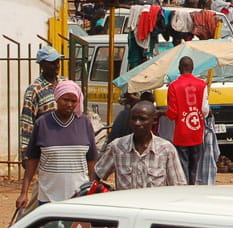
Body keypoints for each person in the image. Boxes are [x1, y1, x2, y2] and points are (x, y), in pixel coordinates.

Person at [17, 80, 98, 209]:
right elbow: (32, 160)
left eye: (73, 101)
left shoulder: (84, 123)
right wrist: (23, 193)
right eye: (65, 100)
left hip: (79, 197)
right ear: (57, 98)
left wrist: (93, 189)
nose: (69, 104)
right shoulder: (42, 123)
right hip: (49, 197)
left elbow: (92, 161)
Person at [95, 100, 186, 189]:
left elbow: (178, 186)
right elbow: (97, 174)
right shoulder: (117, 147)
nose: (137, 123)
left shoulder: (166, 149)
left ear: (154, 120)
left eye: (142, 119)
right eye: (134, 119)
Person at [165, 56, 209, 184]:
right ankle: (193, 186)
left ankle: (184, 188)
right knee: (194, 166)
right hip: (197, 132)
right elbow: (204, 109)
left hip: (181, 133)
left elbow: (172, 114)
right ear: (192, 68)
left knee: (182, 165)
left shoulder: (173, 86)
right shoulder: (202, 84)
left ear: (179, 68)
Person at [20, 46, 66, 162]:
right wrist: (25, 151)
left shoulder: (65, 83)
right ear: (42, 65)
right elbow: (27, 122)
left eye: (57, 62)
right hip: (46, 145)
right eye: (52, 63)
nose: (56, 65)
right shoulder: (35, 90)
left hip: (66, 143)